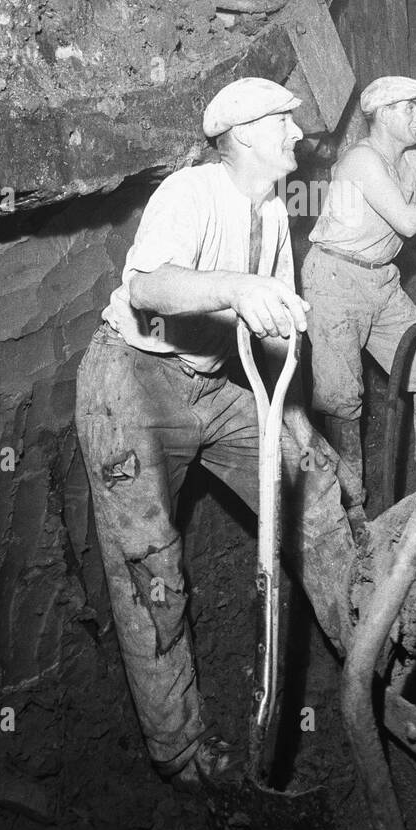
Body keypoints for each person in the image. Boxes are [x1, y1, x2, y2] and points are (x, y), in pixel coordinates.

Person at [75, 77, 357, 791]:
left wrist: (296, 428)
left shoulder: (274, 211)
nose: (298, 134)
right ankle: (182, 753)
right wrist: (234, 286)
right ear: (247, 136)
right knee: (150, 565)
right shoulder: (193, 192)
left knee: (313, 488)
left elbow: (270, 341)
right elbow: (149, 287)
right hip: (135, 383)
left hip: (217, 385)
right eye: (284, 123)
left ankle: (367, 654)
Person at [302, 75, 416, 494]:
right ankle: (352, 507)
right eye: (409, 108)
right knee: (342, 400)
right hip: (334, 280)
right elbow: (407, 220)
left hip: (381, 280)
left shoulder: (412, 162)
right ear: (381, 115)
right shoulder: (362, 160)